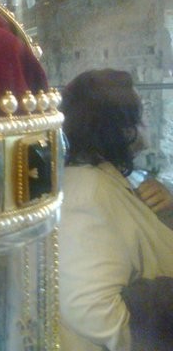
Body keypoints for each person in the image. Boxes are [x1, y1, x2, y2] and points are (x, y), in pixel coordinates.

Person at [59, 69, 173, 350]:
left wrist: (167, 208)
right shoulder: (88, 194)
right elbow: (94, 312)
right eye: (140, 114)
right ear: (120, 128)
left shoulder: (105, 178)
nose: (146, 122)